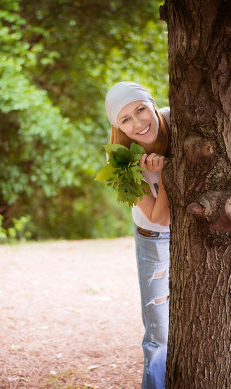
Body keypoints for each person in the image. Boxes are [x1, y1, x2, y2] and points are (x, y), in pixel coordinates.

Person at [105, 81, 171, 389]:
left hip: (200, 234)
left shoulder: (179, 123)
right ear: (117, 126)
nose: (138, 123)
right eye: (125, 119)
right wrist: (170, 174)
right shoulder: (119, 160)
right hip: (155, 238)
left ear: (152, 104)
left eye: (141, 109)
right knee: (159, 330)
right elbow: (160, 217)